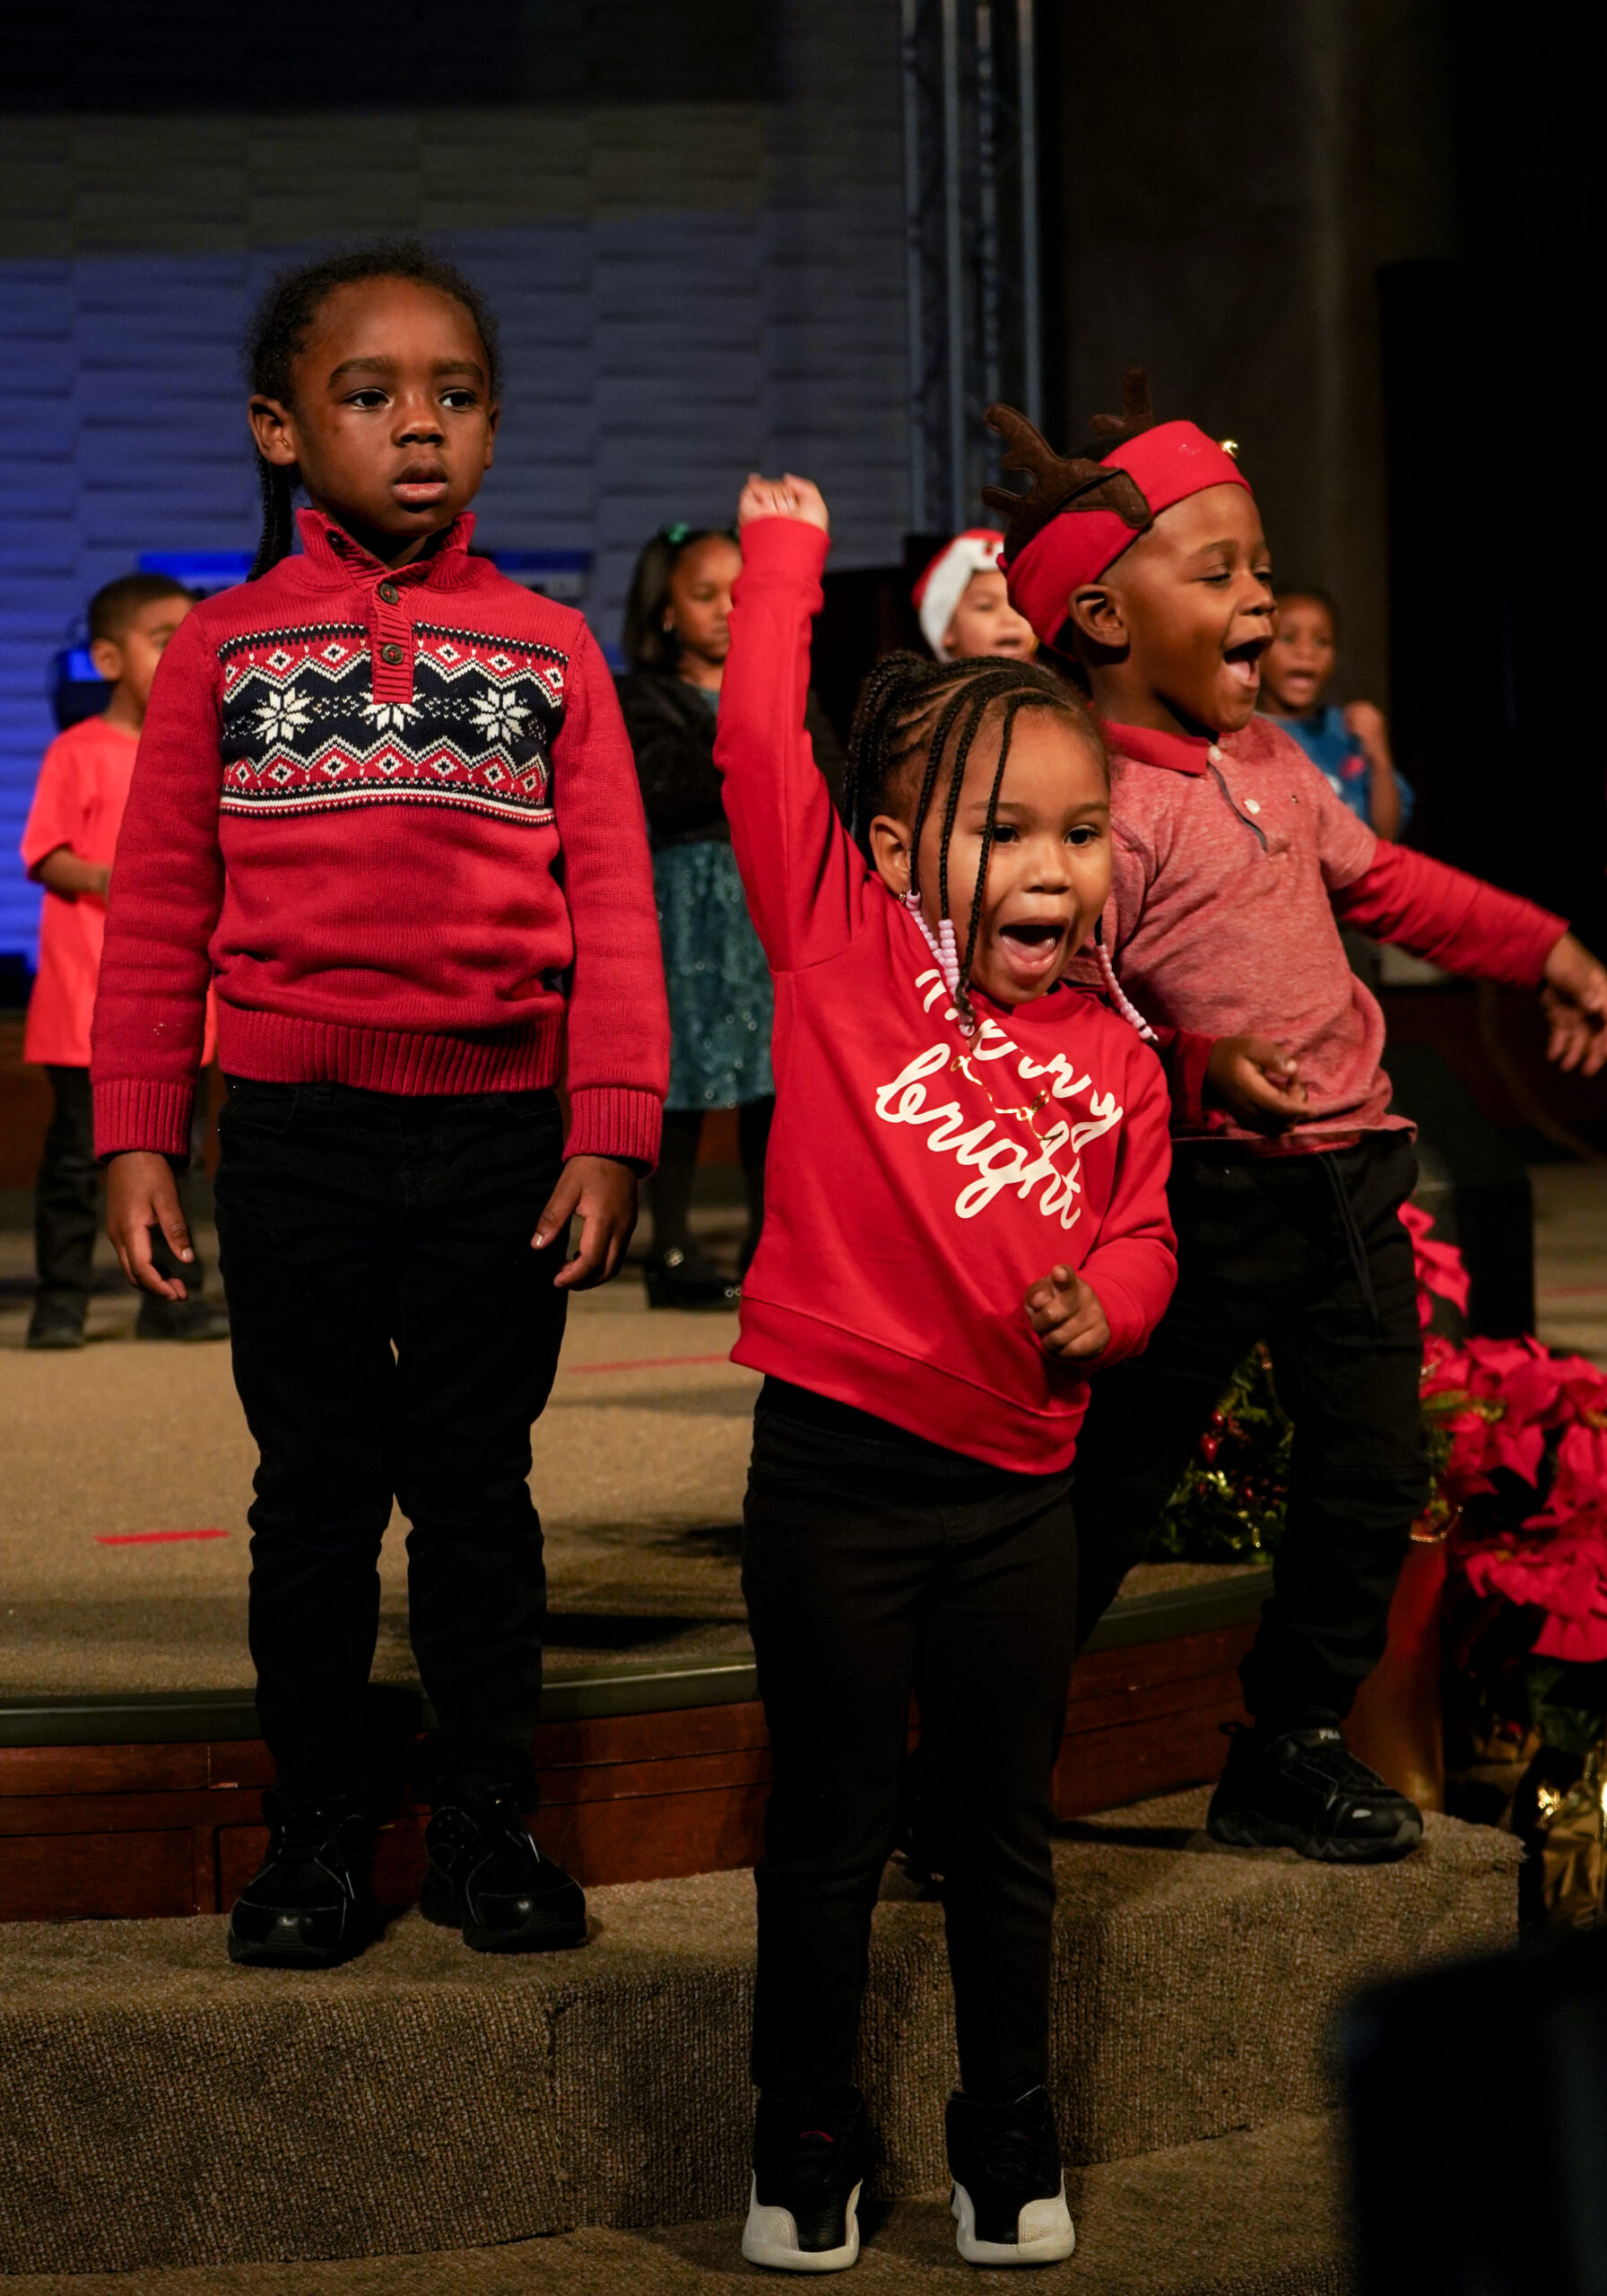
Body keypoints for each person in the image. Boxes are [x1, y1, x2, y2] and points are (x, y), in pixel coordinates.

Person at [91, 242, 668, 1970]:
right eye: (368, 396)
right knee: (318, 1492)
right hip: (298, 1138)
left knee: (479, 1486)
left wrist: (611, 1118)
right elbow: (162, 901)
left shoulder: (553, 648)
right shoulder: (219, 653)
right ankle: (323, 1821)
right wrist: (136, 1126)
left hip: (501, 1133)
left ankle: (490, 1811)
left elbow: (616, 901)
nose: (417, 425)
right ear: (281, 428)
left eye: (455, 394)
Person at [983, 372, 1607, 1867]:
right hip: (1199, 1199)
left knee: (1370, 1472)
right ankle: (979, 1762)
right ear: (1106, 622)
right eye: (1221, 574)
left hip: (1350, 1180)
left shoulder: (1272, 766)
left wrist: (1544, 947)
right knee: (1114, 1485)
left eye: (1259, 569)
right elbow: (1064, 1008)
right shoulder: (1096, 807)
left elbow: (1397, 889)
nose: (1258, 596)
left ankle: (1287, 1741)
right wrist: (1199, 1069)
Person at [714, 473, 1177, 2271]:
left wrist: (1107, 1315)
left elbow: (1143, 1237)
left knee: (998, 1838)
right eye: (1001, 833)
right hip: (832, 1476)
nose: (1050, 868)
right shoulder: (840, 952)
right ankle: (803, 2136)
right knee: (826, 1826)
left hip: (1013, 1495)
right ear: (899, 850)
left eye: (1079, 831)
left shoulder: (1123, 1058)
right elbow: (760, 749)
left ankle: (1006, 2134)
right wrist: (778, 563)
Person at [618, 526, 843, 1305]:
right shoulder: (641, 698)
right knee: (683, 1076)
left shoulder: (791, 691)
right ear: (668, 612)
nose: (725, 611)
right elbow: (670, 787)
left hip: (770, 897)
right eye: (704, 595)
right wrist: (751, 736)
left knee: (770, 1078)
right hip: (686, 909)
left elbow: (828, 780)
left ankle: (765, 1239)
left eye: (741, 595)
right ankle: (670, 1247)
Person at [21, 574, 229, 1350]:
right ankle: (62, 1300)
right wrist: (121, 880)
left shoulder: (199, 751)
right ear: (109, 659)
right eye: (162, 640)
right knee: (79, 1158)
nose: (181, 655)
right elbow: (46, 854)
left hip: (176, 1007)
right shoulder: (78, 752)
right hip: (87, 1002)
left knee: (183, 1155)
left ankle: (177, 1297)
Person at [1259, 586, 1411, 840]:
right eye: (1287, 638)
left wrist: (1378, 755)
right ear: (1259, 649)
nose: (1306, 652)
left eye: (1322, 641)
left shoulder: (1349, 731)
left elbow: (1387, 835)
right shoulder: (1241, 733)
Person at [912, 528, 1038, 661]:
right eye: (986, 607)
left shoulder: (1051, 680)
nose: (1010, 620)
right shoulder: (941, 682)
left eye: (1019, 608)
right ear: (947, 629)